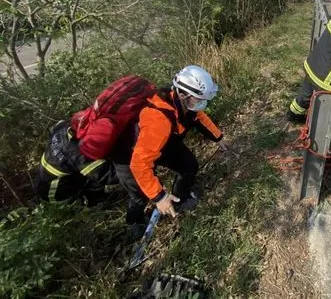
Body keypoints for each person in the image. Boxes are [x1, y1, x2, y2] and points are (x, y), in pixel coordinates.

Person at [112, 65, 229, 238]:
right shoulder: (158, 118)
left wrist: (219, 138)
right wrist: (159, 197)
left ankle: (179, 199)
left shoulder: (185, 105)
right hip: (130, 154)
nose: (201, 103)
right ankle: (134, 221)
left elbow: (200, 118)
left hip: (163, 144)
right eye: (198, 99)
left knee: (189, 165)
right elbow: (139, 163)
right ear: (183, 94)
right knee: (140, 194)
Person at [34, 120, 118, 204]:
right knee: (95, 172)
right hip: (54, 194)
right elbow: (107, 175)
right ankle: (91, 199)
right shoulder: (79, 154)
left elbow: (53, 129)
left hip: (41, 181)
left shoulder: (63, 127)